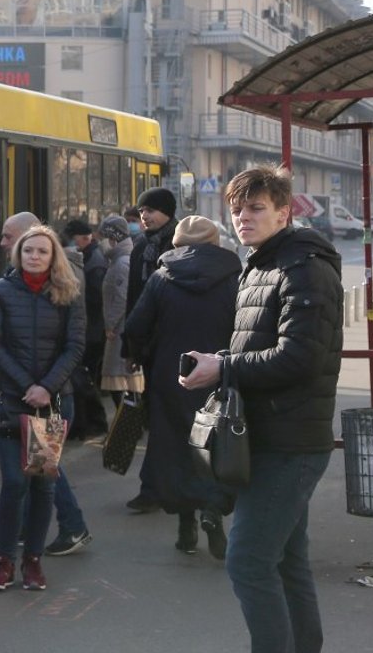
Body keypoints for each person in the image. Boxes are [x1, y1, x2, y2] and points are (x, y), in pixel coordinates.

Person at [182, 165, 342, 653]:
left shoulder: (302, 267)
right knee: (287, 562)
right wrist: (219, 363)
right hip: (269, 436)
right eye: (236, 210)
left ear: (283, 211)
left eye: (255, 208)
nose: (243, 218)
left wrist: (223, 368)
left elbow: (300, 356)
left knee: (248, 561)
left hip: (290, 444)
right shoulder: (262, 263)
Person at [0, 212, 92, 558]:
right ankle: (10, 555)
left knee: (42, 475)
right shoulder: (4, 287)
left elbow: (74, 347)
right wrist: (27, 385)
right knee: (17, 479)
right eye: (27, 251)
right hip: (14, 399)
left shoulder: (69, 291)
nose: (33, 256)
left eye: (40, 250)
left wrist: (45, 388)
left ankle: (47, 544)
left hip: (50, 401)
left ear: (51, 252)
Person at [121, 215, 239, 558]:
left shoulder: (161, 278)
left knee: (176, 447)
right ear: (216, 242)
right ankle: (213, 512)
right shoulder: (235, 277)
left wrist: (137, 356)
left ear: (176, 244)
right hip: (221, 375)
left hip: (172, 376)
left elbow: (136, 325)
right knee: (216, 447)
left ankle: (185, 526)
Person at [124, 186, 178, 514]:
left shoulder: (180, 244)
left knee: (173, 419)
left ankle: (167, 487)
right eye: (142, 210)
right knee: (159, 419)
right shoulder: (140, 247)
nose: (145, 216)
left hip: (178, 343)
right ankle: (154, 488)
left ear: (168, 212)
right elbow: (133, 299)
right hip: (151, 347)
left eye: (152, 210)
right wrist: (130, 350)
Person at [62, 219, 110, 439]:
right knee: (82, 377)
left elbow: (95, 298)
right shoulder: (89, 258)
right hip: (89, 327)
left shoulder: (90, 261)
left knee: (82, 378)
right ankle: (89, 423)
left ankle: (88, 424)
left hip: (90, 329)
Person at [97, 216, 143, 402]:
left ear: (112, 238)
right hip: (121, 327)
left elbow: (120, 299)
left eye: (104, 237)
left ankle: (126, 426)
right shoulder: (122, 260)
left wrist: (109, 325)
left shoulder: (121, 263)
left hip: (119, 329)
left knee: (120, 379)